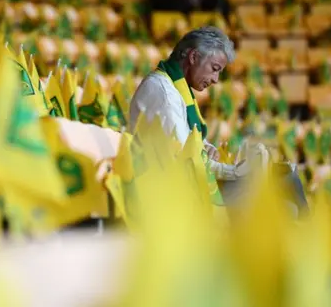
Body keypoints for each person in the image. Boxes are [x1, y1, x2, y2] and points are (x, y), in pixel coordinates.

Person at [129, 27, 308, 211]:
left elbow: (189, 145)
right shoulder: (165, 93)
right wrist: (234, 172)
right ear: (193, 57)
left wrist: (206, 148)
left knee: (284, 179)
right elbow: (187, 161)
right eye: (214, 69)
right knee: (283, 181)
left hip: (187, 185)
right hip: (174, 196)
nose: (215, 79)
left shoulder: (172, 87)